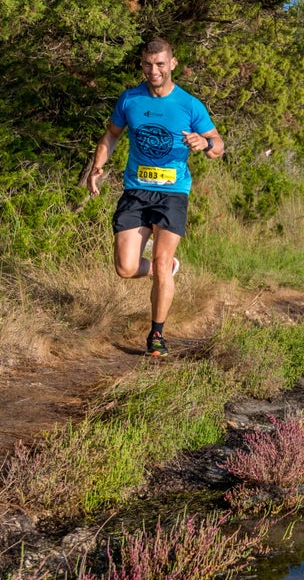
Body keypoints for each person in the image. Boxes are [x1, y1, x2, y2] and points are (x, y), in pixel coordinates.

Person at [86, 37, 224, 356]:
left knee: (161, 264)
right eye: (148, 64)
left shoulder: (189, 105)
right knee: (125, 267)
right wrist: (97, 166)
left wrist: (205, 145)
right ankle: (167, 267)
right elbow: (112, 134)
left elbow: (218, 144)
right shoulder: (130, 99)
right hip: (136, 190)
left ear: (172, 64)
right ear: (142, 64)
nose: (154, 70)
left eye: (160, 64)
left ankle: (157, 335)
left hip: (173, 193)